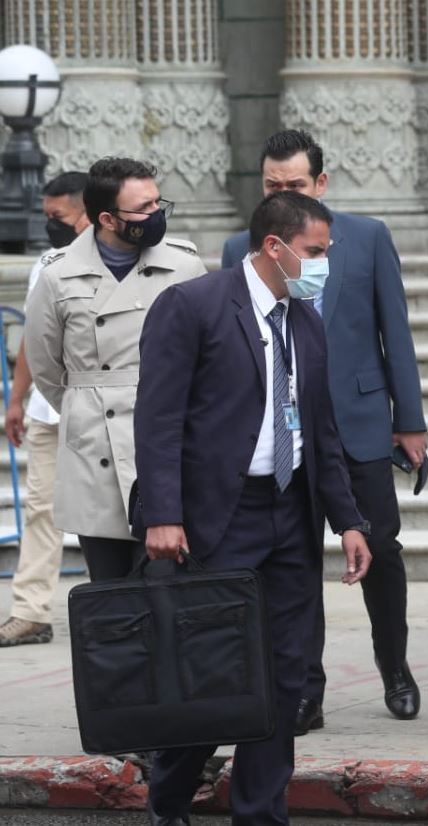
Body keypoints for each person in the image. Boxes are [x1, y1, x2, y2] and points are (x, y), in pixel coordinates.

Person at [136, 191, 371, 826]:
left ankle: (260, 815)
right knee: (214, 676)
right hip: (216, 517)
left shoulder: (305, 321)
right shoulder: (192, 306)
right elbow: (157, 419)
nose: (323, 263)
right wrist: (163, 513)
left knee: (283, 676)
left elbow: (322, 431)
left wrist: (348, 519)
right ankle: (168, 799)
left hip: (289, 515)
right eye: (315, 252)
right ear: (276, 246)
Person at [222, 129, 427, 730]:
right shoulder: (241, 245)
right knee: (294, 561)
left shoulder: (364, 238)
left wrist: (408, 421)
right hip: (282, 436)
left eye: (295, 185)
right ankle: (305, 687)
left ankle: (396, 668)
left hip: (357, 425)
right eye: (271, 187)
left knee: (380, 550)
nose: (282, 195)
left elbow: (397, 333)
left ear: (321, 183)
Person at [24, 158, 206, 582]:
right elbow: (48, 369)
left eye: (158, 203)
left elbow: (208, 357)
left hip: (169, 446)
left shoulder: (185, 265)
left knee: (169, 592)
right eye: (143, 208)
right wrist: (87, 406)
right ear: (106, 218)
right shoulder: (58, 275)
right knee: (110, 596)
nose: (156, 214)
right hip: (95, 449)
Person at [0, 172, 89, 647]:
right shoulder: (48, 264)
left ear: (89, 212)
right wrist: (16, 399)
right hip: (48, 410)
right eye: (46, 216)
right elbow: (34, 341)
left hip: (103, 409)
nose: (50, 225)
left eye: (59, 216)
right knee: (40, 510)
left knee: (119, 511)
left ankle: (126, 604)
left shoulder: (122, 263)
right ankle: (31, 611)